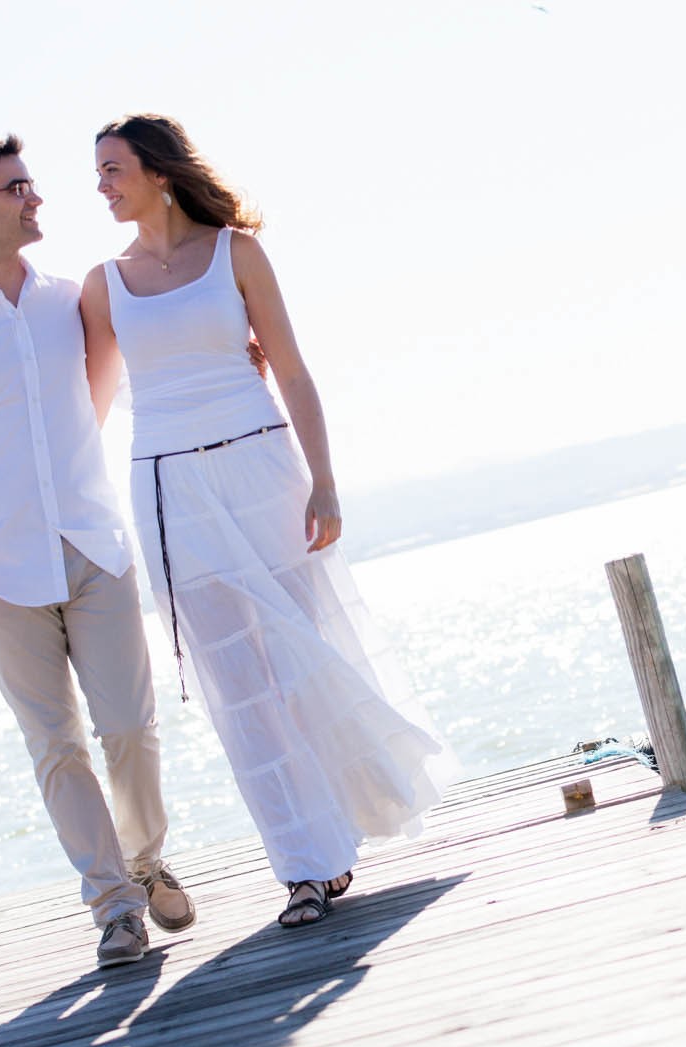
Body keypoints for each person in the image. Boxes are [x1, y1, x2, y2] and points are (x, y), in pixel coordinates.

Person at [81, 113, 452, 929]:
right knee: (238, 686)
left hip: (262, 467)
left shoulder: (236, 253)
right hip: (169, 488)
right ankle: (304, 868)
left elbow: (291, 367)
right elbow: (90, 408)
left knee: (300, 657)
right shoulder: (103, 283)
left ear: (159, 172)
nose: (101, 185)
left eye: (112, 169)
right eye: (97, 172)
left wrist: (325, 481)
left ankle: (349, 821)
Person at [0, 136, 193, 970]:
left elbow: (132, 371)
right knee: (55, 746)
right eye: (19, 188)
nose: (37, 200)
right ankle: (114, 907)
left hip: (96, 543)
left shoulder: (72, 299)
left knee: (130, 727)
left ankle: (145, 859)